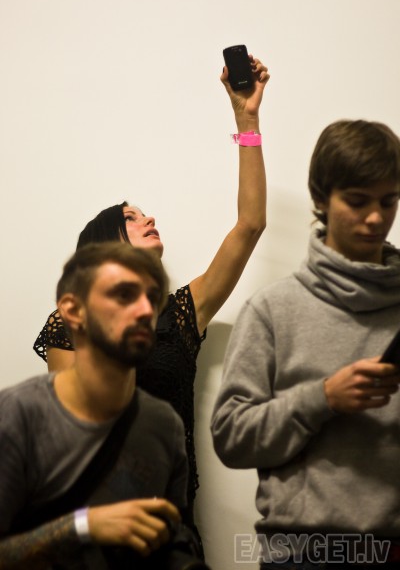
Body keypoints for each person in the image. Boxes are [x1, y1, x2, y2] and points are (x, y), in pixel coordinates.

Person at [33, 54, 270, 540]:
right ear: (105, 244)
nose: (148, 218)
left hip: (173, 528)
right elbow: (68, 432)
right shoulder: (71, 321)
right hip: (98, 529)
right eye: (131, 217)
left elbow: (250, 225)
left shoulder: (182, 313)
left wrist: (246, 120)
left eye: (143, 213)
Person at [211, 119, 400, 569]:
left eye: (389, 201)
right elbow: (231, 437)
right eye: (357, 201)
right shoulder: (273, 310)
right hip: (305, 554)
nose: (376, 218)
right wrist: (323, 398)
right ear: (320, 199)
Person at [0, 242, 210, 570]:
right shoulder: (18, 414)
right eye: (124, 295)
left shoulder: (164, 424)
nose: (145, 310)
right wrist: (83, 527)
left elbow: (171, 538)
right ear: (73, 311)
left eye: (153, 298)